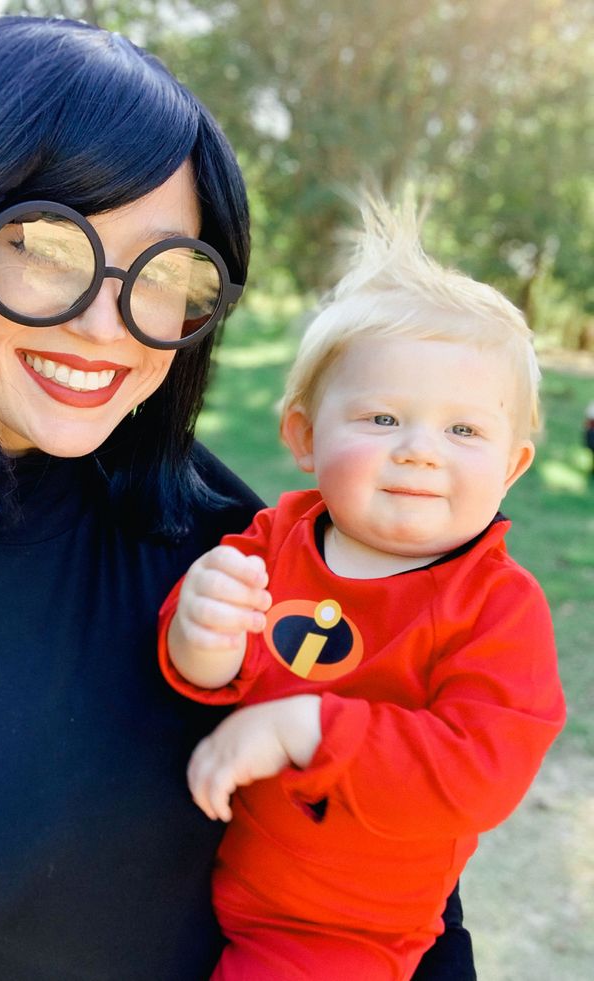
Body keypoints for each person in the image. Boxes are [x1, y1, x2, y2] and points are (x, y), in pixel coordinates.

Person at [0, 16, 473, 981]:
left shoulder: (233, 532)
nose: (108, 325)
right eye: (49, 247)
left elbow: (401, 870)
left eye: (167, 271)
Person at [159, 195, 566, 980]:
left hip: (342, 928)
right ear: (305, 436)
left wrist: (308, 727)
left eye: (464, 430)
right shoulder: (276, 538)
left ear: (513, 466)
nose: (419, 451)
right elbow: (208, 675)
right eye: (382, 419)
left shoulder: (495, 605)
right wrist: (199, 629)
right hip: (212, 867)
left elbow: (478, 769)